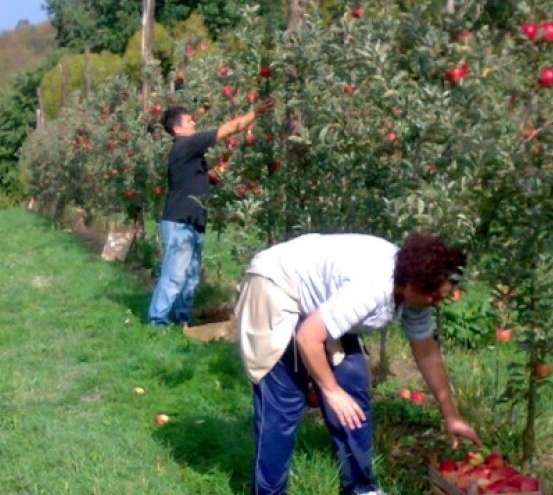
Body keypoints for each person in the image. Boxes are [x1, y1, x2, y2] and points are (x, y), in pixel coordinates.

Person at [234, 231, 482, 495]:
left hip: (319, 302)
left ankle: (361, 488)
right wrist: (330, 391)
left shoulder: (415, 293)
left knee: (352, 387)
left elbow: (427, 353)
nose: (436, 303)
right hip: (276, 286)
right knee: (284, 403)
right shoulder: (372, 288)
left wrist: (450, 413)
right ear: (412, 284)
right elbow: (308, 337)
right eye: (433, 296)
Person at [148, 97, 277, 327]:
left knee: (190, 278)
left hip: (193, 222)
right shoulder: (186, 144)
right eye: (190, 121)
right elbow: (228, 129)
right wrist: (254, 113)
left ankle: (181, 320)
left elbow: (199, 180)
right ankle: (157, 321)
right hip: (180, 222)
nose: (194, 125)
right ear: (178, 128)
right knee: (175, 275)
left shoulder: (189, 154)